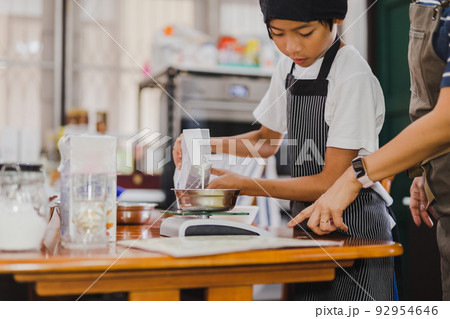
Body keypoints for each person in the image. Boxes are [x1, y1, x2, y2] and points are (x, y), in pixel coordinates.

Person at [173, 0, 395, 300]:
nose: (292, 46)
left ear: (335, 20)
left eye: (304, 33)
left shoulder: (352, 76)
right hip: (307, 224)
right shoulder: (289, 66)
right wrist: (201, 144)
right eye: (277, 33)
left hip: (355, 226)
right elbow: (266, 141)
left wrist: (244, 184)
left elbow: (331, 181)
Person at [290, 0, 450, 300]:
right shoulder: (430, 7)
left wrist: (354, 176)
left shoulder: (351, 73)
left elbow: (446, 119)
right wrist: (427, 168)